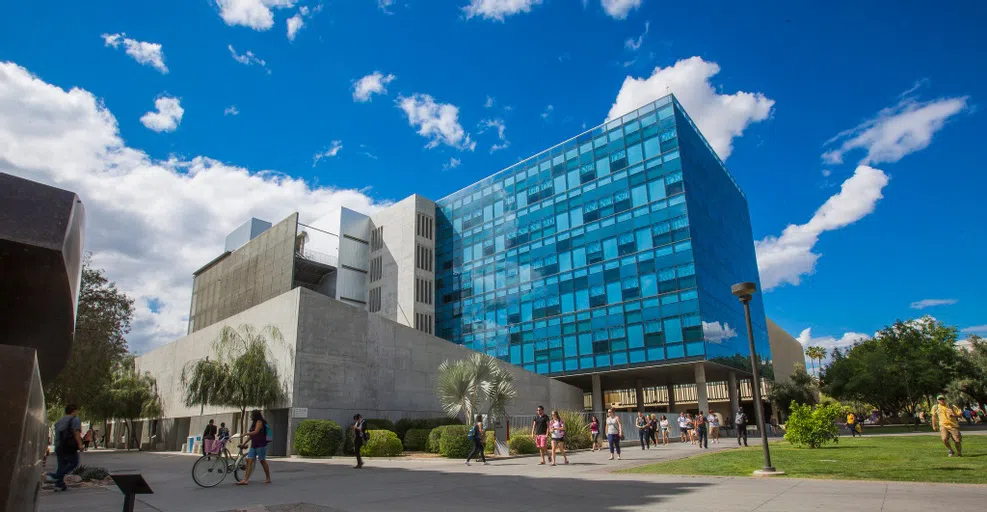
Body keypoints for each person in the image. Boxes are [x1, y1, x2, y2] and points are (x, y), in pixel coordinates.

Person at [49, 404, 83, 491]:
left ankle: (59, 484)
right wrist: (80, 444)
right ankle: (55, 476)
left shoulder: (61, 420)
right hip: (69, 446)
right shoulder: (75, 419)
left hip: (59, 446)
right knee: (74, 462)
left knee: (61, 465)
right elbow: (76, 432)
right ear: (74, 411)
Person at [237, 410, 272, 485]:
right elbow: (251, 435)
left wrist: (245, 434)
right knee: (249, 461)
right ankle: (245, 480)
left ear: (255, 415)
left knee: (262, 461)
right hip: (254, 445)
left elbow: (255, 432)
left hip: (261, 445)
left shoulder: (259, 422)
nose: (250, 416)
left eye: (252, 415)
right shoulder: (253, 423)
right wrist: (244, 443)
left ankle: (268, 477)